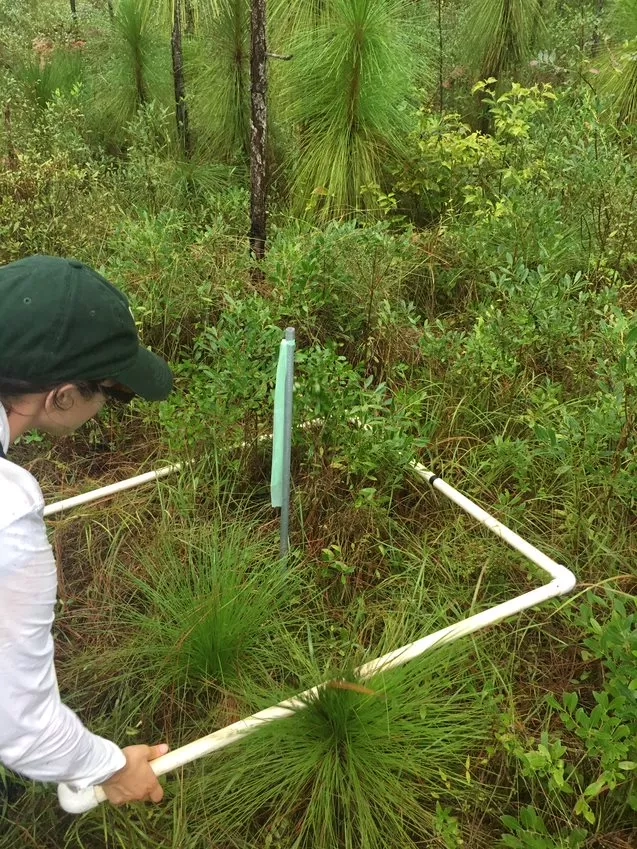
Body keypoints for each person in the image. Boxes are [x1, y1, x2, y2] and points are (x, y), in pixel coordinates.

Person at [0, 255, 173, 806]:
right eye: (113, 394)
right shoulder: (6, 513)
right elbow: (22, 728)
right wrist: (111, 767)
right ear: (63, 396)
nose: (111, 407)